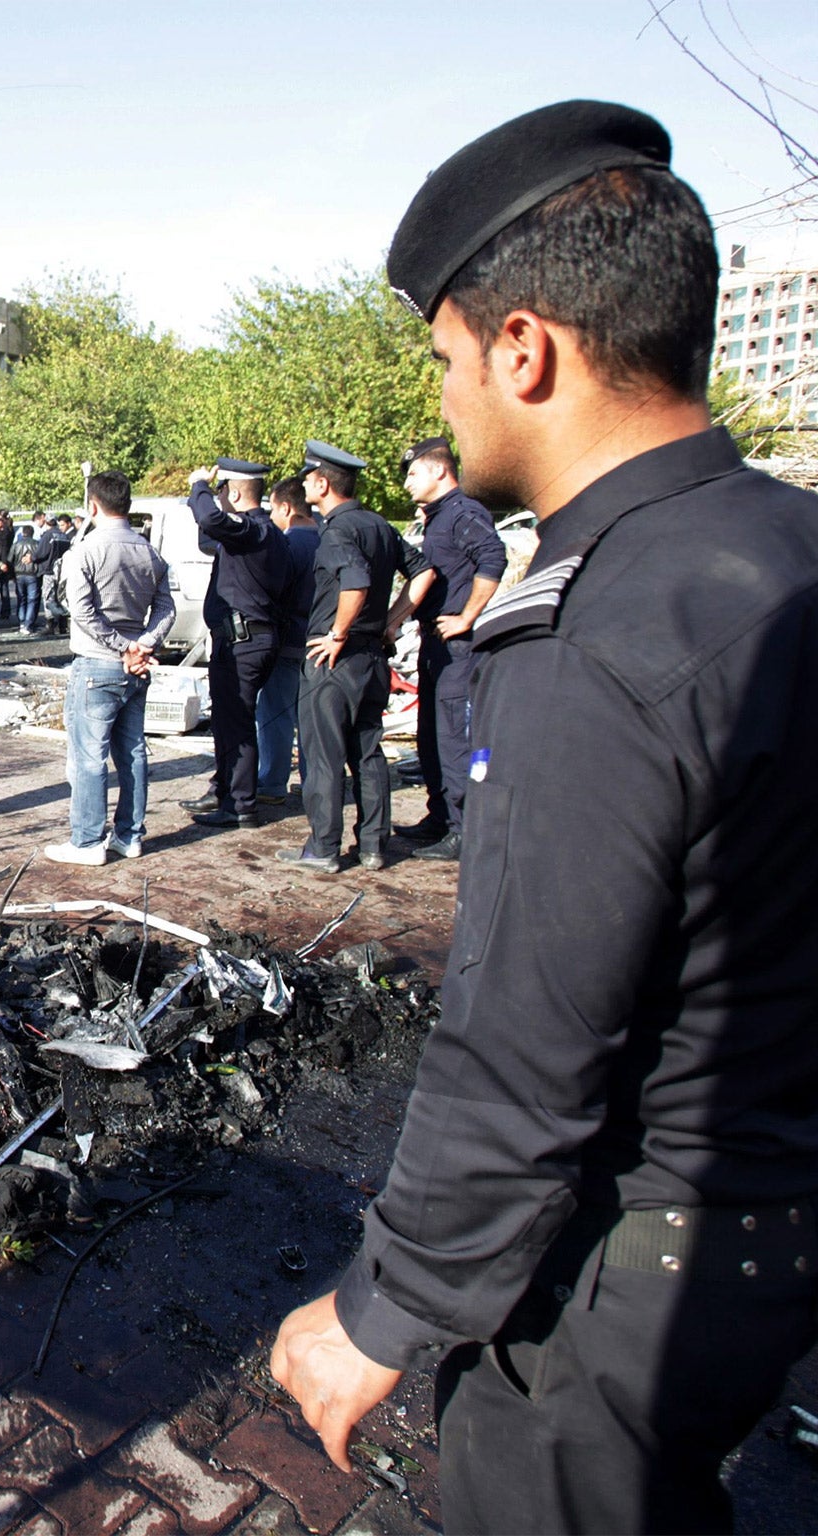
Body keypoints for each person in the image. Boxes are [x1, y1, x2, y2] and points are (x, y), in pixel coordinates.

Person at [270, 101, 818, 1536]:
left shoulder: (594, 634)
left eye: (448, 359)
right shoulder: (783, 548)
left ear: (525, 349)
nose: (444, 398)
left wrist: (383, 1309)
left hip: (643, 1260)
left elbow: (528, 1036)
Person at [276, 442, 425, 874]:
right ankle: (374, 846)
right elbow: (424, 569)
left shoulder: (338, 530)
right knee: (368, 753)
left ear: (322, 483)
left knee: (322, 756)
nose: (304, 485)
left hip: (334, 660)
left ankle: (323, 847)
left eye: (307, 479)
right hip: (372, 659)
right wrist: (390, 623)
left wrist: (339, 632)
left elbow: (355, 582)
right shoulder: (378, 524)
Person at [385, 438, 507, 862]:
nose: (406, 484)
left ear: (439, 471)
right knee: (432, 736)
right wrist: (395, 620)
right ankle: (439, 817)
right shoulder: (437, 519)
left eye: (413, 473)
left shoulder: (463, 513)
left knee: (454, 736)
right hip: (435, 645)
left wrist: (467, 617)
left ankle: (461, 829)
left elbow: (494, 558)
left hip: (457, 646)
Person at [44, 471, 175, 865]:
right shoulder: (149, 552)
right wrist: (144, 643)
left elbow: (82, 611)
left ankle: (86, 842)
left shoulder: (86, 550)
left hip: (98, 666)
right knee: (133, 752)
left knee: (88, 757)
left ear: (92, 506)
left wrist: (124, 647)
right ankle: (129, 835)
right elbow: (167, 608)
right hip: (135, 670)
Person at [179, 459, 292, 829]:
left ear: (237, 491)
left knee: (238, 723)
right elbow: (207, 533)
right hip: (240, 639)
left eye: (222, 490)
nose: (218, 497)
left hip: (245, 640)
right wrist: (205, 498)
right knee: (228, 721)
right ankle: (226, 790)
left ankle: (240, 804)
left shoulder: (254, 530)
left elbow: (211, 521)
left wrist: (199, 485)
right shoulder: (252, 532)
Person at [254, 479, 319, 804]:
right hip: (321, 643)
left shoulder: (288, 545)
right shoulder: (328, 539)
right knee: (312, 719)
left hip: (288, 641)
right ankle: (313, 782)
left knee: (275, 714)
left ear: (286, 508)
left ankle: (273, 781)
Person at [12, 511, 52, 634]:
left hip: (19, 573)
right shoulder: (37, 543)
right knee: (32, 600)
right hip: (33, 574)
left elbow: (10, 557)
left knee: (21, 598)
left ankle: (21, 622)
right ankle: (28, 624)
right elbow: (40, 556)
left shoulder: (17, 543)